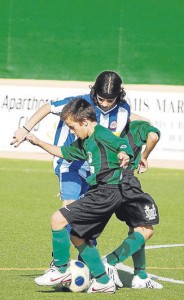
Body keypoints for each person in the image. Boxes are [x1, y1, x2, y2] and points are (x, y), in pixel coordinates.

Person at [10, 71, 145, 254]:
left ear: (118, 95)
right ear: (94, 91)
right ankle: (59, 264)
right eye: (101, 99)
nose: (105, 104)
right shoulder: (79, 103)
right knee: (69, 209)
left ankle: (86, 263)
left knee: (89, 216)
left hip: (95, 170)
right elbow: (48, 107)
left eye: (110, 100)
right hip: (69, 162)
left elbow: (114, 140)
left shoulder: (123, 110)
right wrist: (24, 129)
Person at [25, 97, 134, 293]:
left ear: (85, 122)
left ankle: (60, 269)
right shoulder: (84, 142)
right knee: (77, 236)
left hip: (107, 192)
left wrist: (124, 154)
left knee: (58, 219)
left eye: (72, 127)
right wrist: (38, 142)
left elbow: (121, 144)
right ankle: (102, 281)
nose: (71, 131)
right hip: (103, 192)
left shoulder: (101, 134)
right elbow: (63, 152)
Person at [102, 120, 163, 289]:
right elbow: (153, 136)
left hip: (106, 181)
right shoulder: (136, 125)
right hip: (126, 180)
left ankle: (141, 275)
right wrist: (144, 156)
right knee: (146, 229)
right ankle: (109, 261)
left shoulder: (101, 125)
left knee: (136, 226)